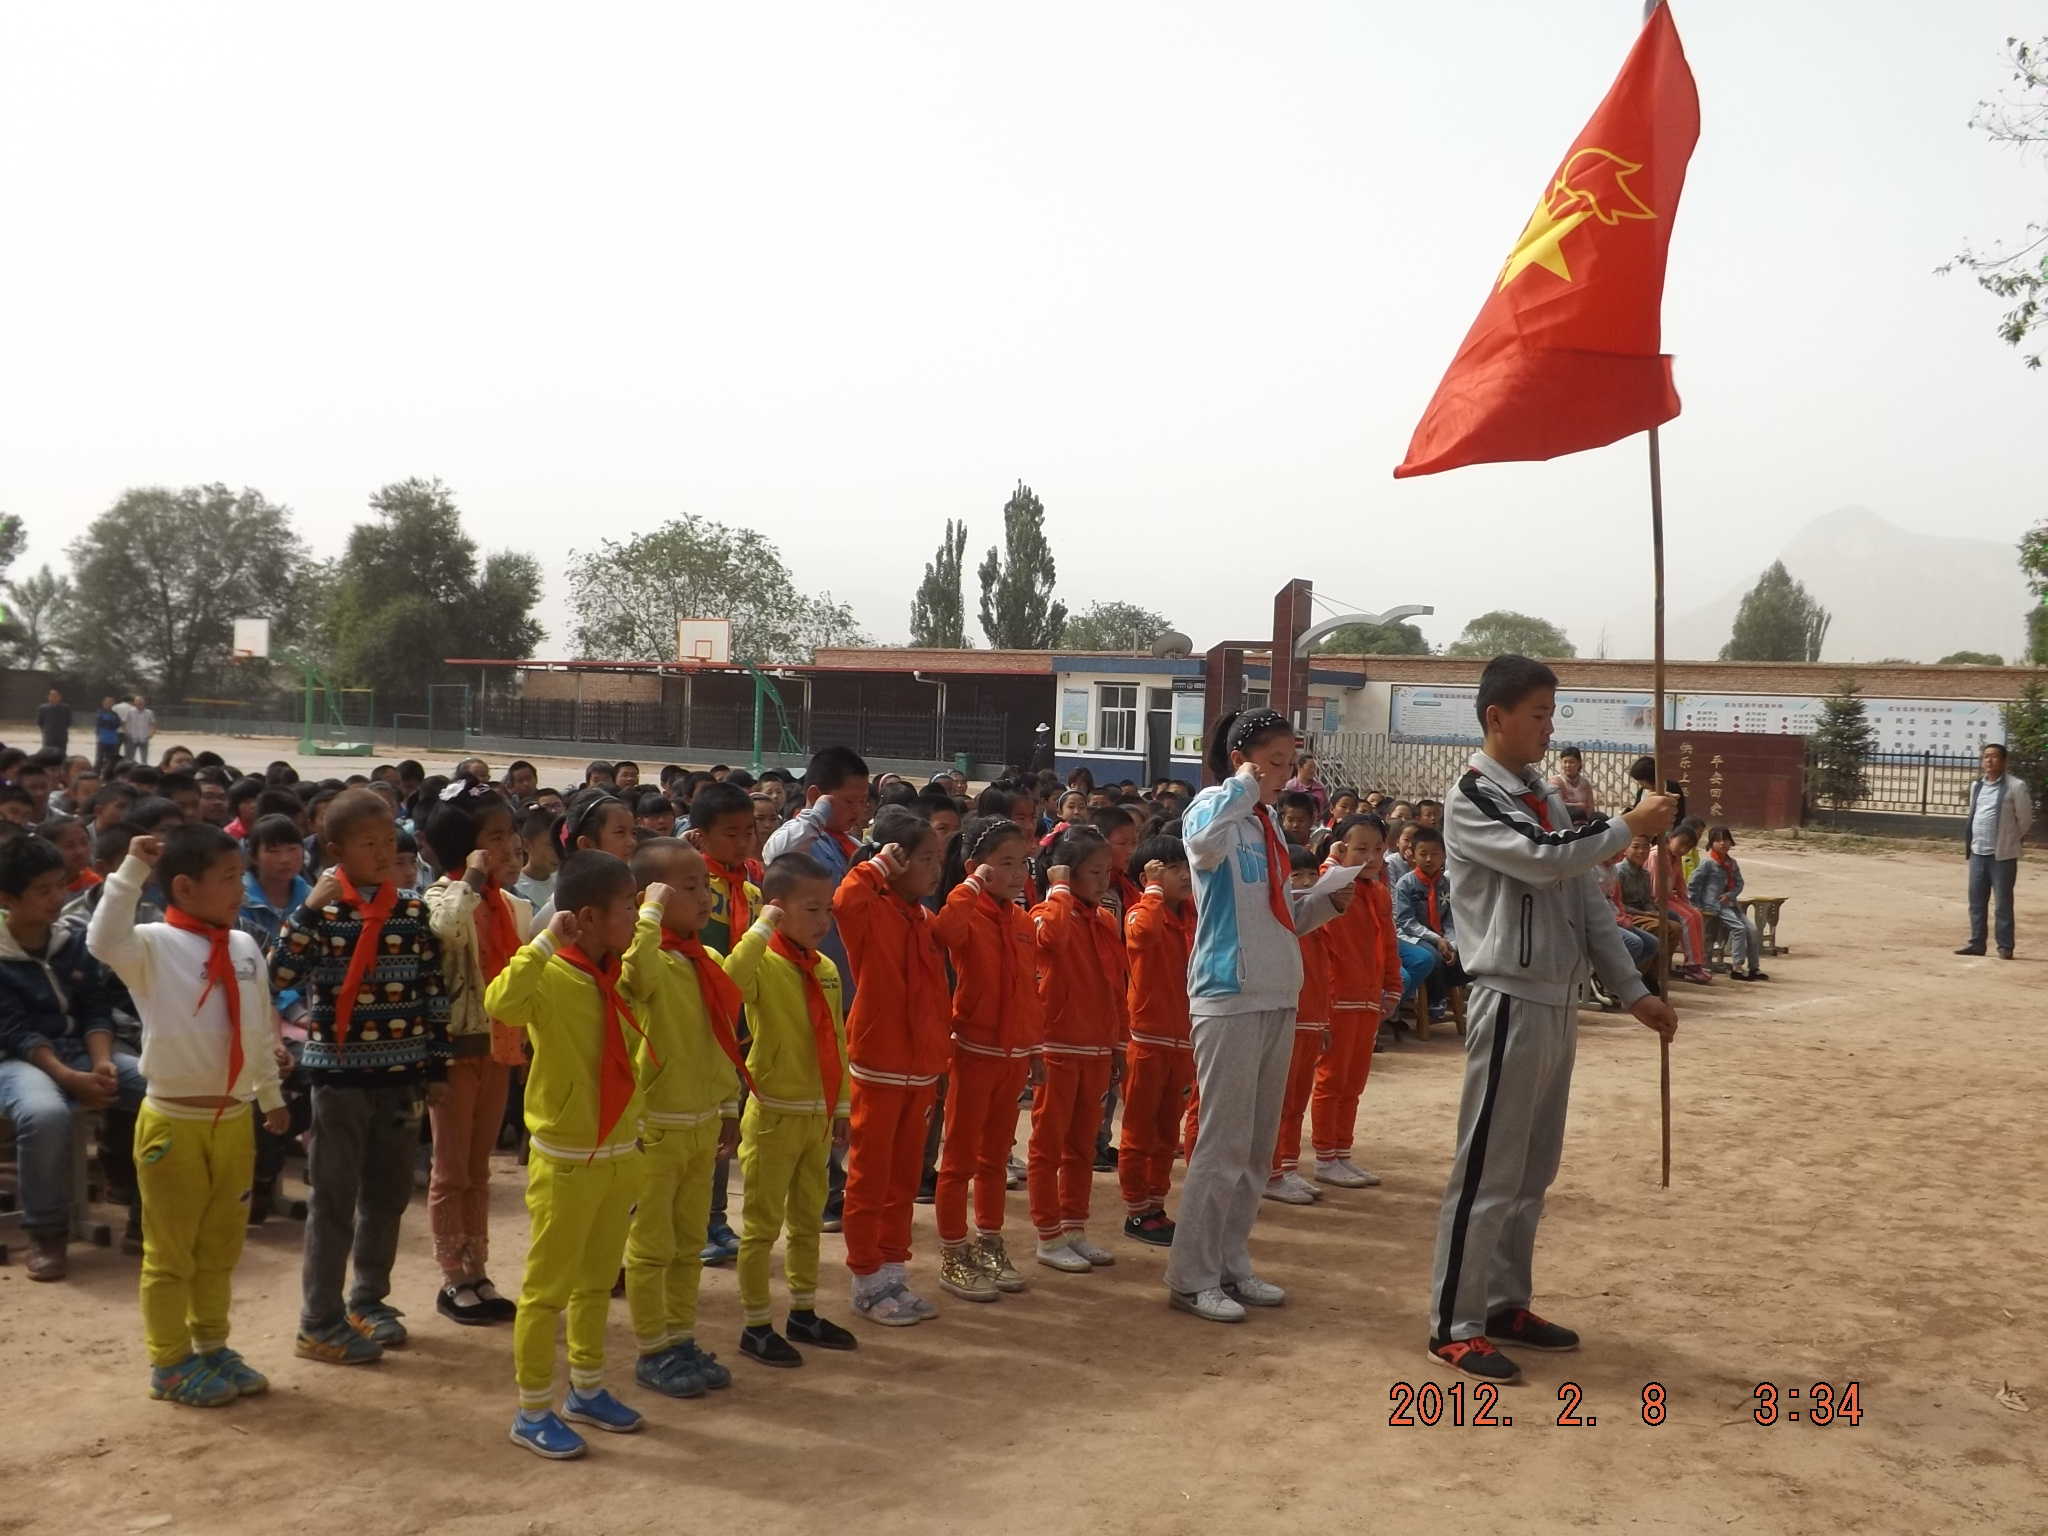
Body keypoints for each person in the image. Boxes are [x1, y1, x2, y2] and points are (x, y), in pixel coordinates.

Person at [1425, 655, 1677, 1382]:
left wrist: (1632, 989)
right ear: (1495, 717)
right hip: (1509, 997)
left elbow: (1586, 898)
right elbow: (1541, 859)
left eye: (1551, 712)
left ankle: (1505, 1301)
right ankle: (1453, 1323)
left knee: (1533, 1168)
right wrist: (1628, 825)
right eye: (1537, 713)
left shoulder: (1544, 797)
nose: (1548, 726)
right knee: (1487, 1167)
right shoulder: (1474, 797)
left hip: (1557, 999)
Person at [87, 825, 287, 1405]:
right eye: (228, 878)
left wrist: (270, 1095)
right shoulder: (150, 945)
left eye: (240, 875)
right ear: (184, 887)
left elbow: (257, 1026)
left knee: (221, 1247)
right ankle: (169, 1362)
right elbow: (102, 938)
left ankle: (212, 1345)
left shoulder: (244, 946)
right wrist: (130, 870)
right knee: (171, 1251)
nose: (240, 888)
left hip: (234, 1120)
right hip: (174, 1123)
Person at [1166, 711, 1348, 1325]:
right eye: (1273, 762)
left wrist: (1326, 903)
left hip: (1275, 991)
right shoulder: (1213, 806)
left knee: (1256, 1145)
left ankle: (1230, 1260)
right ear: (1242, 759)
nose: (1283, 775)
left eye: (1288, 763)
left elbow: (1278, 915)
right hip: (1227, 991)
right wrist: (1242, 785)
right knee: (1222, 1143)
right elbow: (1200, 848)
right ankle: (1192, 1276)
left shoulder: (1266, 823)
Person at [268, 788, 449, 1365]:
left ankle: (368, 1301)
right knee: (332, 1199)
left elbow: (432, 991)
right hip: (339, 1080)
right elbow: (277, 976)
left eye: (387, 842)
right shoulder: (322, 912)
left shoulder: (412, 911)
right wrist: (306, 910)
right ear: (334, 850)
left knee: (388, 1197)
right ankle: (318, 1320)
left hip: (401, 1075)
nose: (381, 853)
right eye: (367, 844)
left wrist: (436, 1065)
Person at [485, 850, 651, 1459]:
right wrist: (544, 944)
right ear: (587, 917)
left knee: (596, 1282)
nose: (635, 915)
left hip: (619, 1152)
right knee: (547, 1289)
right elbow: (501, 1003)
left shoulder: (618, 974)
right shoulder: (553, 975)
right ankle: (532, 1408)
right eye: (628, 906)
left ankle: (586, 1387)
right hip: (566, 1159)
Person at [617, 838, 745, 1396]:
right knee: (651, 1246)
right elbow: (635, 976)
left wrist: (728, 1106)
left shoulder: (705, 962)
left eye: (704, 886)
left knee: (689, 1242)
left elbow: (719, 1042)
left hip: (700, 1125)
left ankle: (681, 1337)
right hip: (657, 1128)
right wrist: (648, 913)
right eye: (688, 888)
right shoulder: (645, 958)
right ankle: (653, 1348)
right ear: (652, 896)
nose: (704, 897)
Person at [724, 853, 857, 1367]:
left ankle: (803, 1310)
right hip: (774, 1115)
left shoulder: (825, 968)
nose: (823, 922)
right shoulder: (762, 962)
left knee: (807, 1221)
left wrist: (840, 1106)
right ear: (778, 908)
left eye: (828, 910)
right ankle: (756, 1324)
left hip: (817, 1118)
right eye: (811, 910)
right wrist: (761, 928)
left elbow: (837, 1041)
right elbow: (729, 985)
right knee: (762, 1226)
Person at [0, 834, 145, 1281]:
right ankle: (47, 1233)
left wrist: (101, 1062)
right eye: (42, 890)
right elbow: (15, 1033)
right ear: (7, 899)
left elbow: (95, 1009)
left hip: (81, 1050)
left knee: (158, 1088)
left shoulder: (73, 940)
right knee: (45, 1114)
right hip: (14, 1060)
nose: (56, 898)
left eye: (60, 885)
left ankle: (150, 1216)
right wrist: (70, 1077)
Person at [832, 807, 950, 1324]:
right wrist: (878, 864)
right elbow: (844, 900)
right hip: (878, 1066)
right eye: (924, 859)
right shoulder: (871, 911)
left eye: (939, 860)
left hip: (920, 1069)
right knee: (869, 1178)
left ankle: (893, 1273)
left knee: (904, 1178)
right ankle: (866, 1279)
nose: (935, 870)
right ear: (896, 861)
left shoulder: (925, 919)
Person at [420, 782, 532, 1325]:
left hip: (496, 1047)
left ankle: (478, 1269)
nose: (508, 846)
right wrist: (471, 877)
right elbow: (445, 931)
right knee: (450, 1170)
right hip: (452, 1052)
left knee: (479, 1169)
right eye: (495, 836)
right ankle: (453, 1276)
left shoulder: (511, 905)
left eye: (509, 834)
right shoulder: (441, 897)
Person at [929, 815, 1043, 1303]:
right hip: (974, 1052)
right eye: (1005, 863)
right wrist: (972, 883)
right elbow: (944, 932)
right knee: (959, 1159)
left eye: (1023, 863)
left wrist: (1034, 1048)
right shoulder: (968, 912)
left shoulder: (1021, 921)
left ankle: (990, 1243)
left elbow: (1030, 992)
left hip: (1013, 1056)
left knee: (996, 1157)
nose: (1017, 874)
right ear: (977, 866)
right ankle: (953, 1252)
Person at [1026, 827, 1128, 1276]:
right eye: (1093, 872)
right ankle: (1048, 1234)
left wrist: (1118, 1043)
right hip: (1058, 1047)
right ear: (1066, 873)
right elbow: (1050, 939)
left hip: (1096, 1050)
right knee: (1048, 1144)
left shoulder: (1104, 921)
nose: (1103, 881)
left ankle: (1073, 1226)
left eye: (1106, 872)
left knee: (1082, 1145)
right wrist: (1060, 889)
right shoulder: (1047, 913)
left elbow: (1115, 985)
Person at [686, 779, 767, 1265]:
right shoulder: (693, 888)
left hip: (736, 1026)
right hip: (693, 1020)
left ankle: (714, 1218)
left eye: (747, 832)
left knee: (724, 1124)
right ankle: (690, 1220)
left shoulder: (753, 893)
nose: (742, 843)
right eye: (730, 834)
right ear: (701, 836)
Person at [1310, 814, 1400, 1188]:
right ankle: (1324, 1156)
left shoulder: (1378, 891)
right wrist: (1334, 862)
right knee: (1331, 1079)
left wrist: (1392, 986)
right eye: (1360, 849)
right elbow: (1319, 892)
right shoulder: (1334, 884)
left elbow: (1388, 942)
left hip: (1367, 999)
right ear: (1340, 848)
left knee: (1353, 1083)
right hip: (1338, 999)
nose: (1371, 857)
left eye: (1378, 849)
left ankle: (1341, 1152)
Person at [1119, 834, 1194, 1241]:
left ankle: (1156, 1204)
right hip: (1148, 1040)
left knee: (1167, 1131)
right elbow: (1143, 935)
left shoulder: (1191, 917)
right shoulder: (1140, 913)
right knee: (1139, 1130)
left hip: (1183, 1040)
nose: (1184, 876)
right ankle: (1136, 1209)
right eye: (1173, 869)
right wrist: (1151, 890)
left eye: (1186, 867)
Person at [1957, 742, 2032, 959]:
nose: (1989, 760)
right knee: (1976, 902)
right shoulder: (1977, 786)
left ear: (2004, 761)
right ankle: (1977, 943)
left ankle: (2005, 946)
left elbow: (2025, 820)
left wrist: (2010, 839)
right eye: (1986, 756)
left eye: (1994, 756)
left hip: (2002, 856)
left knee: (2002, 903)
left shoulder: (2015, 786)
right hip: (1978, 853)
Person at [1395, 827, 1468, 1022]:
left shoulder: (1447, 884)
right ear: (1413, 855)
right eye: (1423, 854)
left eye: (1435, 854)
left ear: (1444, 855)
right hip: (1412, 937)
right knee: (1434, 957)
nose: (1429, 859)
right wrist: (1436, 939)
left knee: (1464, 955)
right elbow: (1406, 921)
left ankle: (1445, 989)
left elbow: (1451, 919)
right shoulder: (1406, 884)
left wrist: (1451, 942)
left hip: (1442, 935)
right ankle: (1436, 999)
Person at [1689, 826, 1768, 982]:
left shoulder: (1732, 863)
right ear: (1711, 843)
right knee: (1738, 928)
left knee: (1752, 930)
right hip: (1714, 905)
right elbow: (1693, 884)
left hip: (1731, 904)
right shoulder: (1707, 863)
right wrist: (1695, 905)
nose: (1723, 843)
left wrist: (1730, 895)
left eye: (1726, 840)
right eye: (1718, 840)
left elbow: (1739, 883)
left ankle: (1754, 967)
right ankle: (1737, 967)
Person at [1648, 827, 1713, 985]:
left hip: (1669, 897)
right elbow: (1655, 888)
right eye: (1682, 844)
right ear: (1671, 838)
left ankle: (1698, 961)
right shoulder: (1657, 855)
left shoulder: (1676, 857)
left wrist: (1686, 903)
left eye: (1688, 847)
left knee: (1696, 914)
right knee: (1687, 918)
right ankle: (1691, 965)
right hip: (1656, 900)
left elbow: (1680, 883)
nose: (1684, 849)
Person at [1549, 746, 1596, 825]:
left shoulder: (1585, 783)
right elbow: (1558, 805)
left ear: (1579, 763)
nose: (1568, 765)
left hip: (1584, 821)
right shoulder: (1556, 781)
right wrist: (1579, 806)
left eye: (1571, 762)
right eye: (1565, 762)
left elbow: (1590, 807)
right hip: (1563, 820)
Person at [94, 698, 126, 776]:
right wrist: (110, 723)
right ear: (103, 703)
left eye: (110, 703)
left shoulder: (115, 714)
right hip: (102, 740)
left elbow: (117, 724)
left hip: (113, 740)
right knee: (99, 759)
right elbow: (101, 723)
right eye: (107, 703)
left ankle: (108, 775)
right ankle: (96, 774)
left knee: (111, 759)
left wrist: (110, 723)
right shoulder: (100, 713)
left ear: (113, 704)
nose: (108, 704)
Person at [124, 694, 157, 765]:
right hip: (132, 738)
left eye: (141, 702)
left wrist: (152, 734)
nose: (139, 703)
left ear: (144, 702)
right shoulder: (130, 712)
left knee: (144, 759)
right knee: (130, 759)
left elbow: (153, 724)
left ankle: (143, 770)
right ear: (134, 703)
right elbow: (125, 723)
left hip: (144, 738)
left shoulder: (149, 712)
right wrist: (127, 733)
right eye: (137, 702)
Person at [37, 688, 72, 755]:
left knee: (61, 754)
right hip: (48, 736)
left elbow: (69, 721)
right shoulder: (43, 708)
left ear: (60, 697)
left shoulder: (65, 708)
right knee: (47, 754)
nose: (54, 697)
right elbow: (40, 722)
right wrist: (45, 731)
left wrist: (62, 729)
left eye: (56, 696)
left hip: (62, 736)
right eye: (52, 696)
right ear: (48, 697)